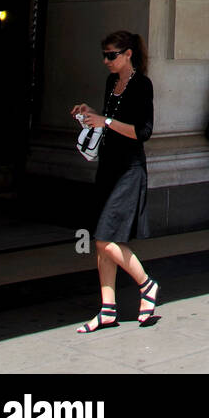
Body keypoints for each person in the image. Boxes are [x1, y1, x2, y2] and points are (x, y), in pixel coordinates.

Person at [70, 30, 158, 331]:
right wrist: (91, 115)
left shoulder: (142, 85)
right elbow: (109, 119)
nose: (106, 61)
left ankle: (147, 285)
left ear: (128, 54)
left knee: (104, 238)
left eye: (112, 55)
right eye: (105, 55)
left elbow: (142, 131)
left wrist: (105, 121)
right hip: (108, 166)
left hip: (129, 170)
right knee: (103, 238)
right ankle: (107, 309)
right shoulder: (111, 83)